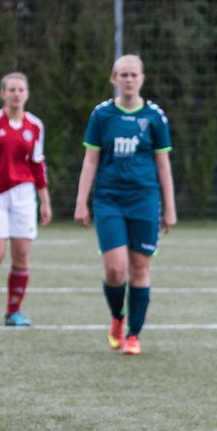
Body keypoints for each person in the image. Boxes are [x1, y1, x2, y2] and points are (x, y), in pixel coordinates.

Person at [74, 54, 176, 355]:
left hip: (145, 200)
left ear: (142, 78)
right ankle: (118, 317)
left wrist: (169, 207)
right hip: (109, 199)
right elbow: (91, 159)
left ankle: (134, 334)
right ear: (114, 78)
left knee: (140, 268)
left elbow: (163, 165)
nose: (128, 79)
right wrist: (82, 201)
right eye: (123, 74)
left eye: (133, 74)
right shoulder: (102, 115)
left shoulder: (155, 116)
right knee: (116, 270)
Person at [0, 72, 51, 326]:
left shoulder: (35, 126)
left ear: (27, 94)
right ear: (2, 93)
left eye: (21, 90)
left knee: (22, 255)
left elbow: (38, 164)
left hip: (24, 196)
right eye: (11, 90)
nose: (17, 94)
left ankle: (13, 311)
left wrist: (44, 200)